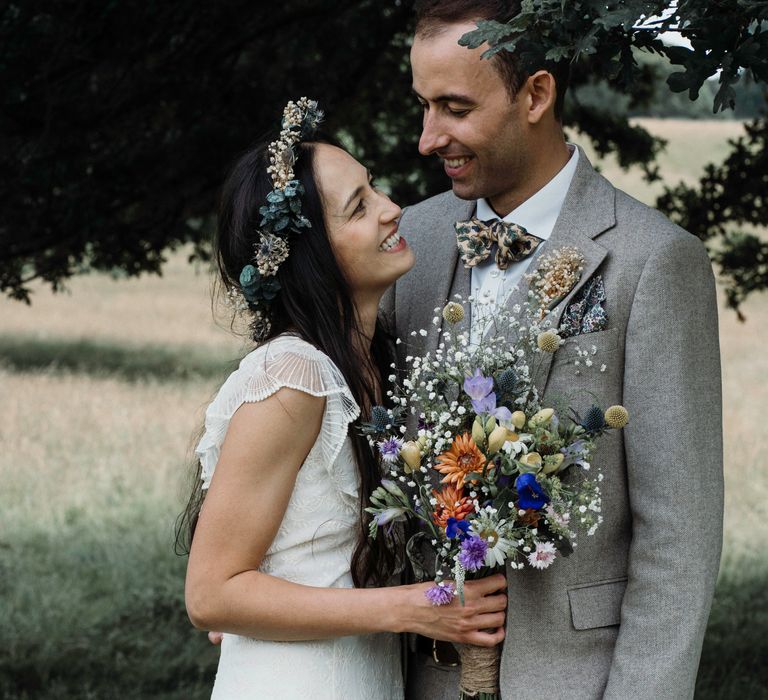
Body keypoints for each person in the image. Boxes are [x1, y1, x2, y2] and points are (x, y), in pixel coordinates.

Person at [381, 2, 724, 699]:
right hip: (403, 679)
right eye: (422, 106)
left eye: (453, 107)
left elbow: (678, 542)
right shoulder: (406, 242)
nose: (427, 137)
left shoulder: (654, 262)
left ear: (536, 95)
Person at [178, 98, 507, 699]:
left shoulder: (371, 363)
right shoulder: (293, 377)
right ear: (312, 257)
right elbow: (211, 594)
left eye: (374, 188)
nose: (391, 208)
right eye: (359, 207)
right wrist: (416, 607)